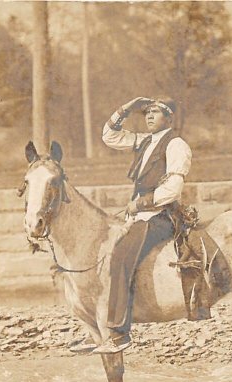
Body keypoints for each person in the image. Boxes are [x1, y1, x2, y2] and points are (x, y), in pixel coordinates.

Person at [92, 96, 192, 354]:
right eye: (147, 112)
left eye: (156, 112)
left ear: (169, 118)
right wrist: (127, 107)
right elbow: (109, 136)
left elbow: (173, 188)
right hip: (141, 216)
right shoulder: (144, 140)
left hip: (161, 216)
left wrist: (141, 204)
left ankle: (119, 333)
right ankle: (99, 326)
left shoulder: (176, 144)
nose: (149, 116)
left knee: (121, 256)